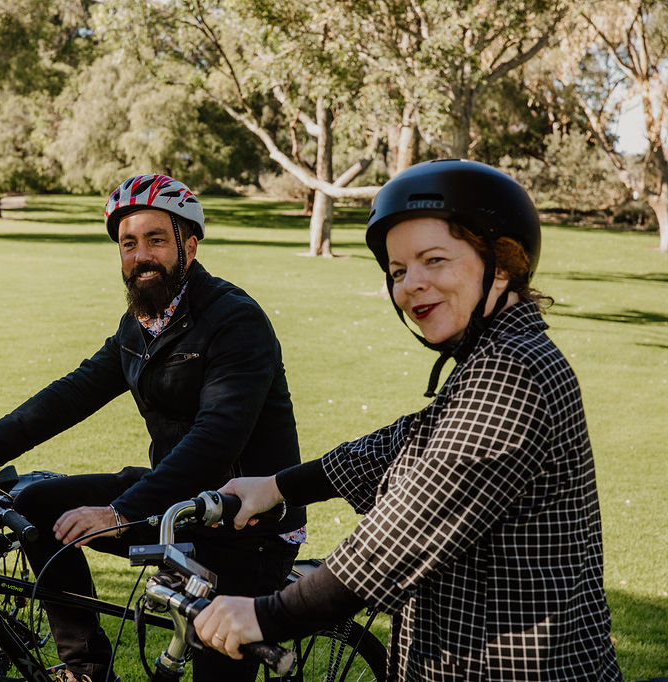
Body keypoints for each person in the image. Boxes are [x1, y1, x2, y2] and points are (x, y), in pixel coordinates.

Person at [194, 160, 623, 681]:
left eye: (434, 260)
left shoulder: (514, 372)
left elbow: (404, 534)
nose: (411, 284)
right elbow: (403, 443)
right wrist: (279, 486)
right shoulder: (493, 357)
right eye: (398, 271)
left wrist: (267, 613)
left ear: (502, 265)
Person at [0, 173, 307, 682]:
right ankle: (87, 670)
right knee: (37, 505)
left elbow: (217, 439)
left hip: (244, 524)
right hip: (177, 502)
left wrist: (119, 511)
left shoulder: (235, 321)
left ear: (189, 246)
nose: (140, 256)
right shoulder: (140, 323)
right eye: (129, 244)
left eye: (156, 240)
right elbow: (79, 388)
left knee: (214, 662)